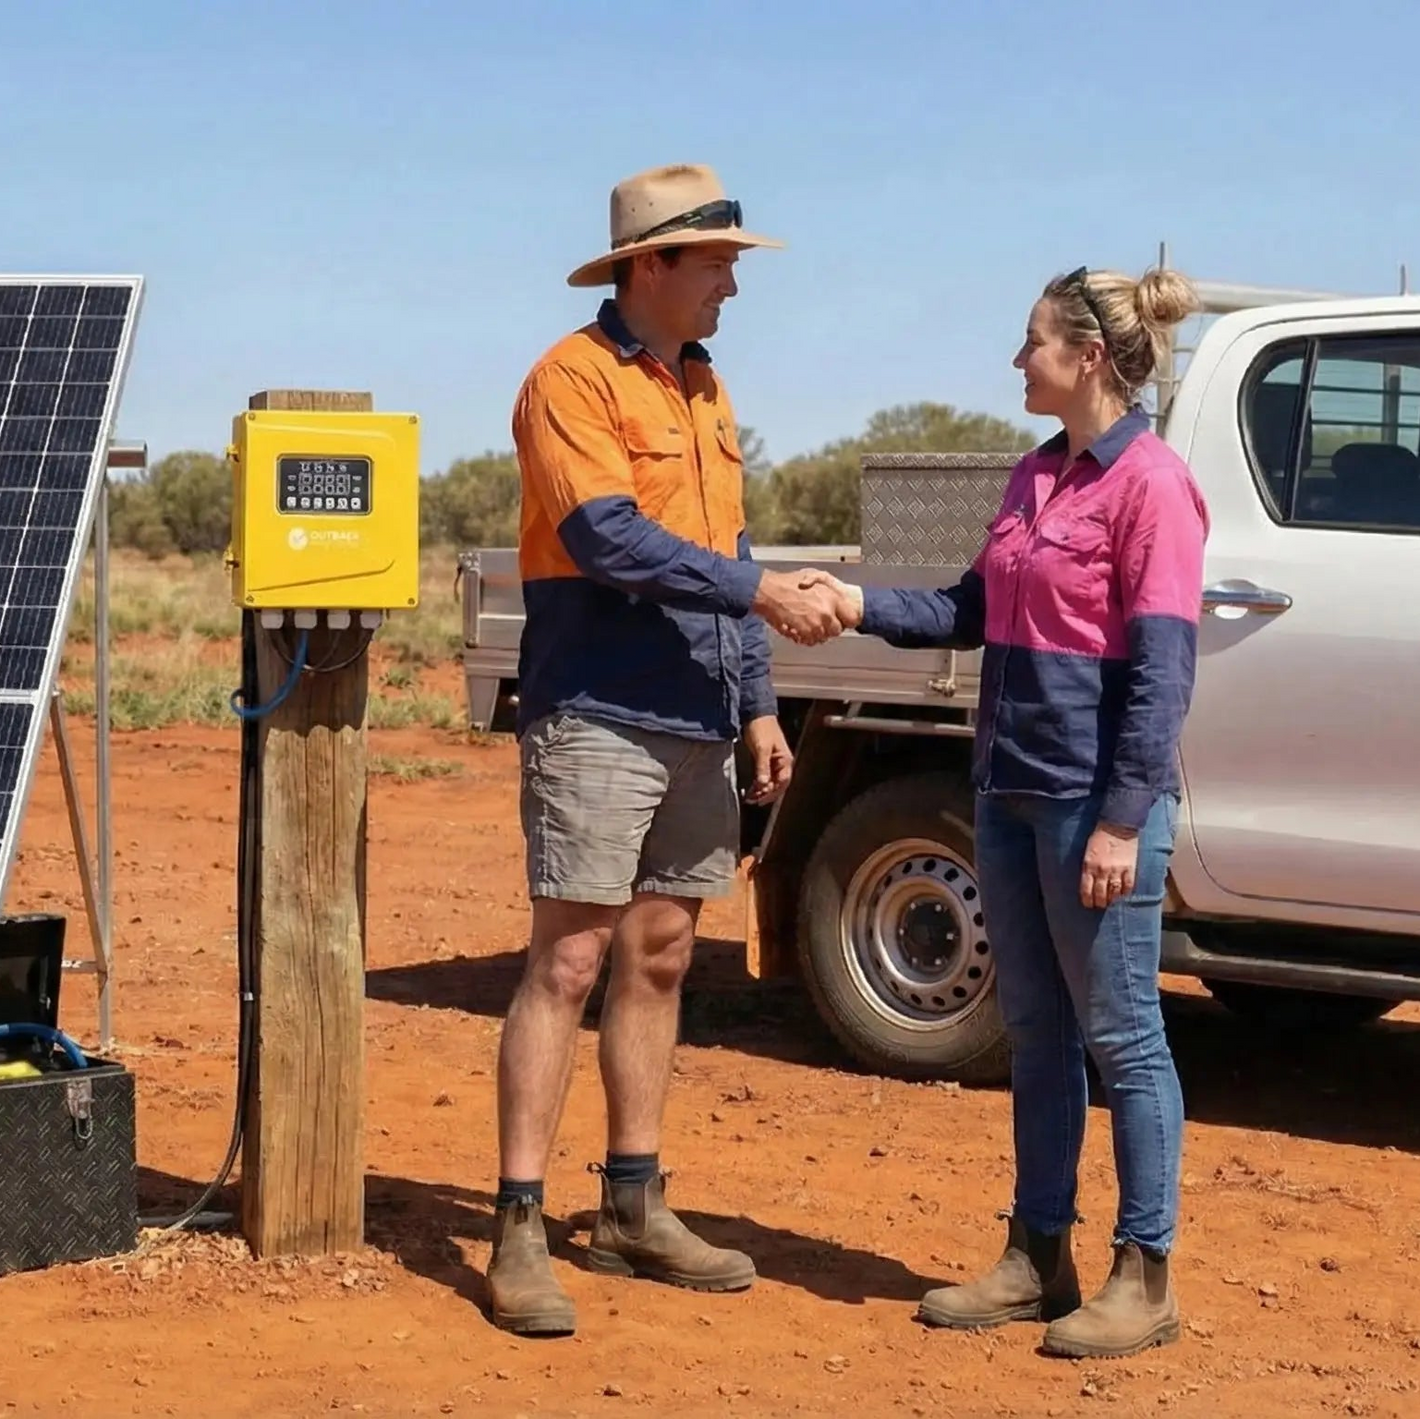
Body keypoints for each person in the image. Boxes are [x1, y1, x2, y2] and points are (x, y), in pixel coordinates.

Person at [803, 265, 1208, 1360]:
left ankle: (1145, 1272)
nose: (1014, 360)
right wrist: (856, 604)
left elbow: (1164, 674)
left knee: (1123, 1037)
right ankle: (1038, 1255)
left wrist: (1124, 820)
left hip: (1093, 807)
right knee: (1035, 1035)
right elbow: (967, 610)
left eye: (1029, 341)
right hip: (1010, 792)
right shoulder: (1034, 477)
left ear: (1085, 357)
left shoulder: (1152, 487)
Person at [488, 163, 845, 1336]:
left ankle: (632, 1209)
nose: (732, 289)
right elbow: (608, 539)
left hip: (697, 714)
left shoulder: (704, 390)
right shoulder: (569, 381)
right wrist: (754, 589)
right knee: (571, 964)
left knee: (657, 958)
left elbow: (720, 545)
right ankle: (519, 1225)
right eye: (718, 265)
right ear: (651, 264)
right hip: (595, 707)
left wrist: (754, 704)